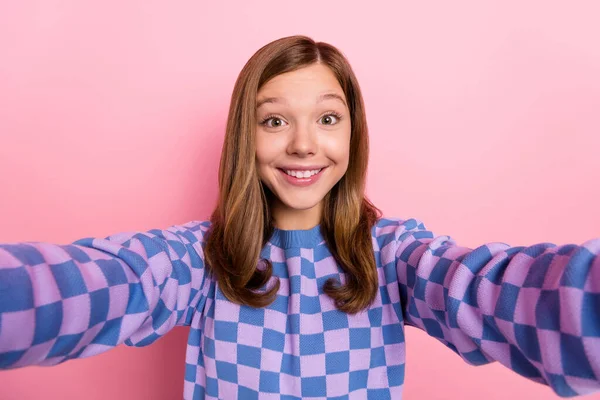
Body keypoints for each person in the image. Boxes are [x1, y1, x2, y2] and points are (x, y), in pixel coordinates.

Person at [0, 35, 598, 400]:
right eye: (276, 119)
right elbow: (101, 282)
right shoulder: (198, 259)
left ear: (353, 135)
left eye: (328, 119)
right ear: (247, 137)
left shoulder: (394, 256)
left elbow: (495, 292)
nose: (305, 145)